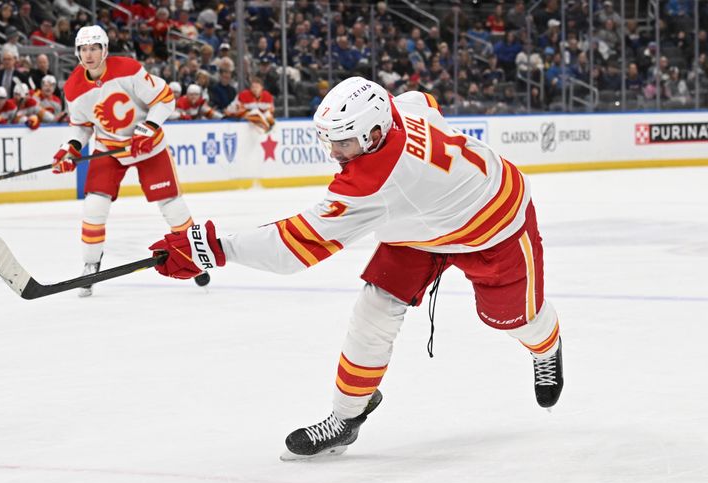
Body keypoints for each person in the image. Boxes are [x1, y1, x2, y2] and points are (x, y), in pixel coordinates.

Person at [149, 77, 564, 459]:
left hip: (495, 226)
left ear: (375, 134)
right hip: (422, 223)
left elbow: (293, 247)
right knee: (374, 311)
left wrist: (211, 249)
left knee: (513, 319)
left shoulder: (377, 182)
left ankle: (546, 347)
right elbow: (425, 100)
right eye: (329, 141)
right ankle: (346, 417)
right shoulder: (399, 108)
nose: (333, 152)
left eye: (343, 143)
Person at [52, 25, 209, 296]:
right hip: (109, 150)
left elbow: (164, 99)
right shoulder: (74, 88)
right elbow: (82, 126)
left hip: (147, 148)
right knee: (94, 207)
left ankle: (196, 254)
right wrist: (71, 148)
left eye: (94, 48)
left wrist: (149, 125)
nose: (88, 55)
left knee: (172, 205)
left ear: (104, 50)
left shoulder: (128, 69)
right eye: (83, 49)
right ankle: (91, 264)